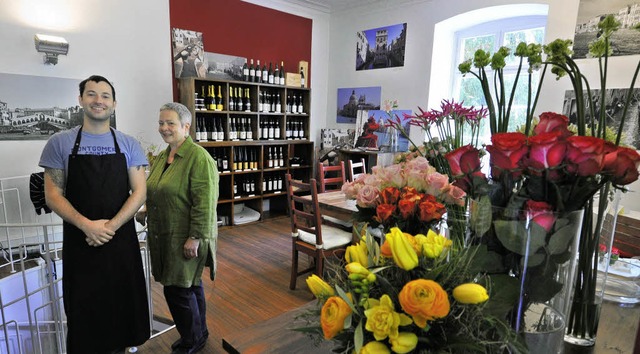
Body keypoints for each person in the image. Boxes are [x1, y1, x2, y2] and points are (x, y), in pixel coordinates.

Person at [39, 75, 150, 353]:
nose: (98, 100)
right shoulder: (59, 143)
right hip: (81, 242)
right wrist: (87, 226)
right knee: (84, 310)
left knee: (122, 307)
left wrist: (108, 227)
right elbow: (53, 195)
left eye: (104, 95)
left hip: (120, 240)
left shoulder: (128, 144)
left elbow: (139, 193)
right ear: (80, 100)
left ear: (114, 104)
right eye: (91, 94)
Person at [136, 102, 218, 354]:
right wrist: (146, 210)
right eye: (161, 122)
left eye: (170, 123)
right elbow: (160, 189)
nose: (164, 128)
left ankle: (192, 340)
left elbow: (205, 203)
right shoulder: (163, 156)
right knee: (190, 286)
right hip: (165, 236)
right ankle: (198, 333)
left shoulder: (198, 158)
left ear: (186, 126)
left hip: (185, 237)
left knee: (177, 290)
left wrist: (195, 237)